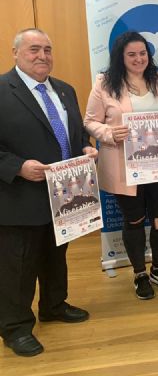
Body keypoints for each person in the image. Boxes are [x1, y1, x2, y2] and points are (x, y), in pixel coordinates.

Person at [0, 28, 97, 357]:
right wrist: (17, 167)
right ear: (15, 53)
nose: (42, 56)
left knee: (55, 256)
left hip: (64, 194)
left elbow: (76, 133)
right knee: (18, 265)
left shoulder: (65, 90)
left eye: (47, 49)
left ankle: (54, 305)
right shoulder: (1, 90)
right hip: (19, 195)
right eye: (34, 49)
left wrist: (86, 146)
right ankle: (15, 327)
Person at [84, 31, 158, 300]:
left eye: (142, 53)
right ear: (121, 57)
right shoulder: (104, 83)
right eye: (132, 54)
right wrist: (109, 133)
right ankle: (140, 273)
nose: (139, 59)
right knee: (134, 220)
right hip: (125, 167)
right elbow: (89, 121)